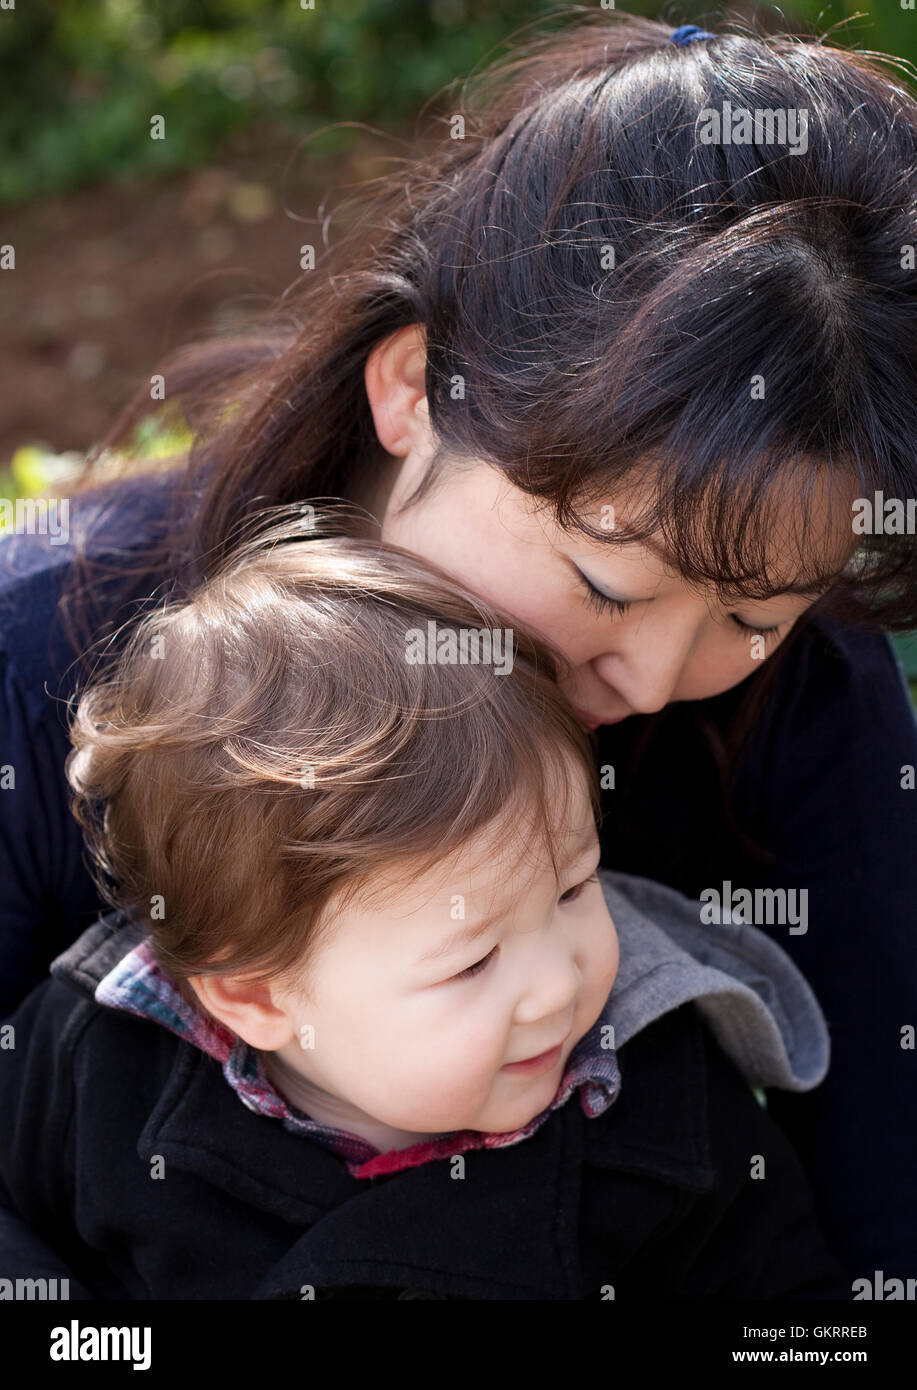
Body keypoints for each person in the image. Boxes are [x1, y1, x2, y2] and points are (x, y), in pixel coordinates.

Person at [1, 11, 915, 1278]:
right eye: (602, 582)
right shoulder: (42, 648)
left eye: (753, 617)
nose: (649, 682)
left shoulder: (807, 707)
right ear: (413, 387)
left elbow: (882, 1199)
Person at [0, 517, 848, 1299]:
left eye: (572, 888)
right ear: (257, 995)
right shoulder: (93, 1063)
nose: (557, 985)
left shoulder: (664, 1105)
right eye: (472, 960)